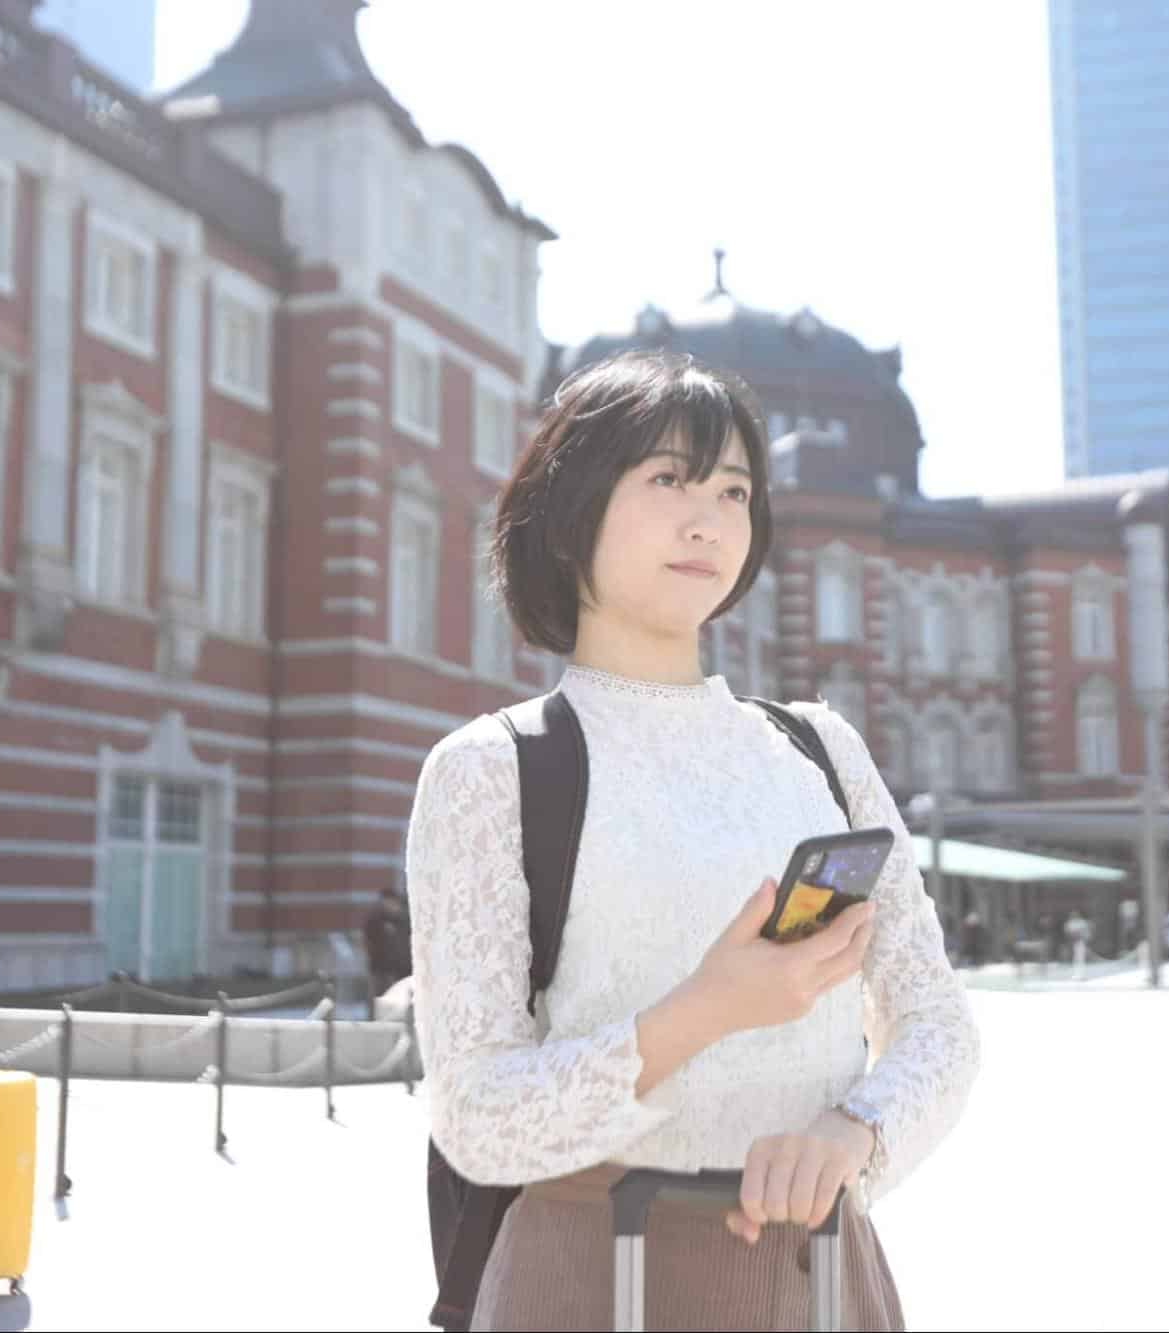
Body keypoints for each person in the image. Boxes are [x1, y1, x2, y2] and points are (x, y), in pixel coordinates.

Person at [405, 351, 981, 1331]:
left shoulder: (819, 749)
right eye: (667, 478)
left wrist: (853, 1133)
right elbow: (478, 1117)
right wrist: (709, 1007)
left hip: (819, 1270)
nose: (707, 516)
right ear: (572, 504)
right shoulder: (493, 768)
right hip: (591, 1270)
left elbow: (936, 1021)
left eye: (733, 489)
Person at [363, 887, 413, 1009]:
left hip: (401, 969)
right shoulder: (375, 920)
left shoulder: (404, 921)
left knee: (398, 1000)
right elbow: (368, 942)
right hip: (380, 968)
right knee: (379, 999)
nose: (390, 906)